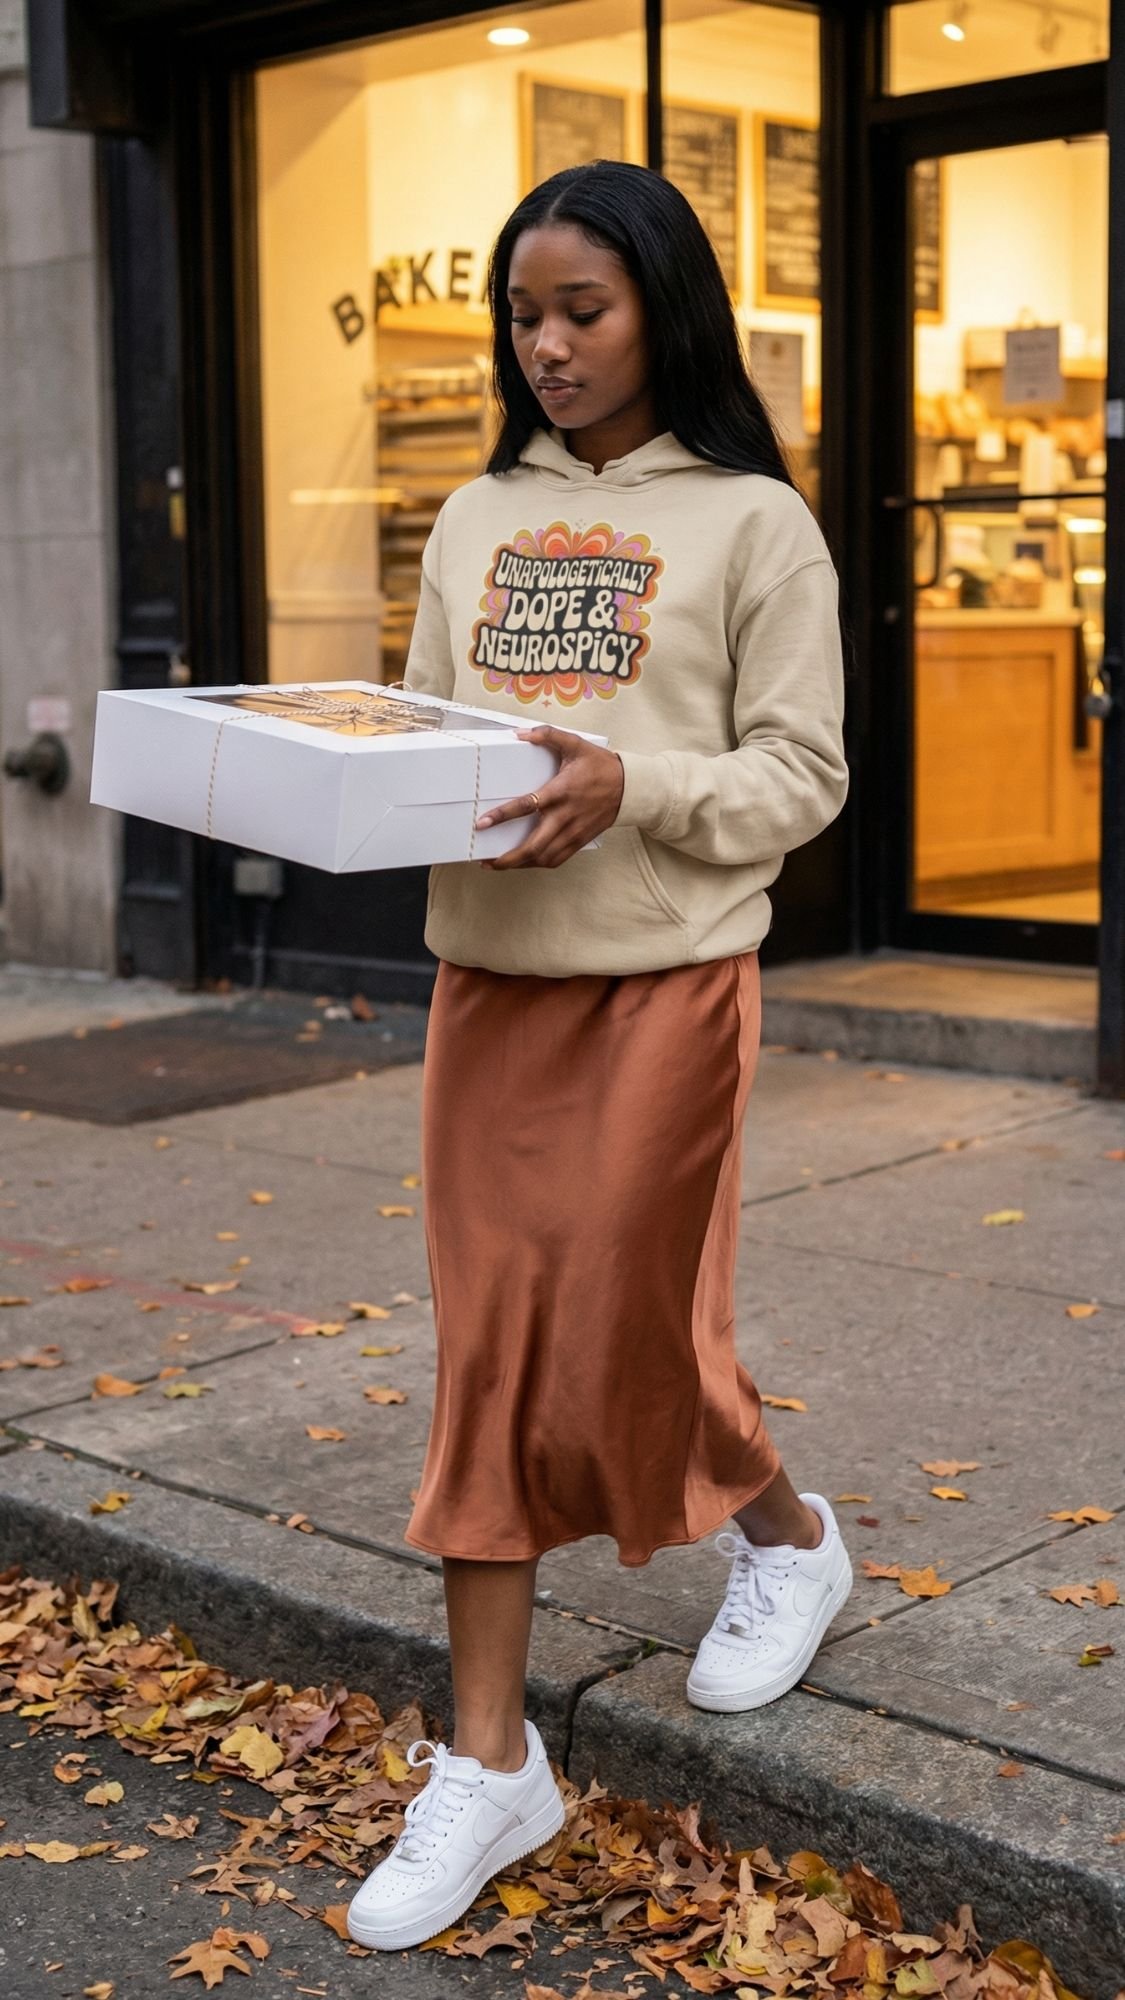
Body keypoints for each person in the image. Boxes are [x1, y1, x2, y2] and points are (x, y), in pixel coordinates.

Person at [347, 159, 852, 1955]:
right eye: (523, 316)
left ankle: (783, 1536)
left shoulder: (751, 524)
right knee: (493, 1349)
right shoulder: (475, 513)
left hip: (666, 984)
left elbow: (804, 777)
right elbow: (426, 737)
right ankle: (489, 1764)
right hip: (491, 984)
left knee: (629, 1336)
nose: (546, 347)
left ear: (666, 310)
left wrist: (635, 782)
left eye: (584, 311)